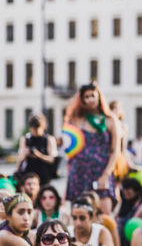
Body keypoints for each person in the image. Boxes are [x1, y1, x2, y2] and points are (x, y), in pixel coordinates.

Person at [64, 82, 121, 215]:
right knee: (79, 216)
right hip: (79, 173)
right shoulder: (77, 119)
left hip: (101, 172)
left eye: (92, 95)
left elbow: (115, 151)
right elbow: (69, 144)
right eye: (86, 97)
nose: (90, 99)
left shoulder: (110, 121)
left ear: (99, 97)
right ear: (82, 100)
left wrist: (106, 175)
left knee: (105, 217)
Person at [17, 114, 58, 186]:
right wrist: (24, 155)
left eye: (38, 128)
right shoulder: (25, 139)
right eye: (33, 129)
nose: (35, 131)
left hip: (44, 176)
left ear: (43, 127)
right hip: (28, 176)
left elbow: (52, 159)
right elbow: (20, 160)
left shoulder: (49, 139)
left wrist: (38, 155)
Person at [116, 177, 142, 246]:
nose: (126, 196)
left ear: (137, 192)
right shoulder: (124, 201)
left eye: (129, 194)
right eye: (125, 194)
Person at [110, 100, 131, 181]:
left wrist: (129, 162)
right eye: (113, 107)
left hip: (118, 158)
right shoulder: (106, 123)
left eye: (117, 108)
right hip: (107, 156)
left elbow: (123, 147)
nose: (115, 110)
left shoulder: (123, 126)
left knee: (116, 184)